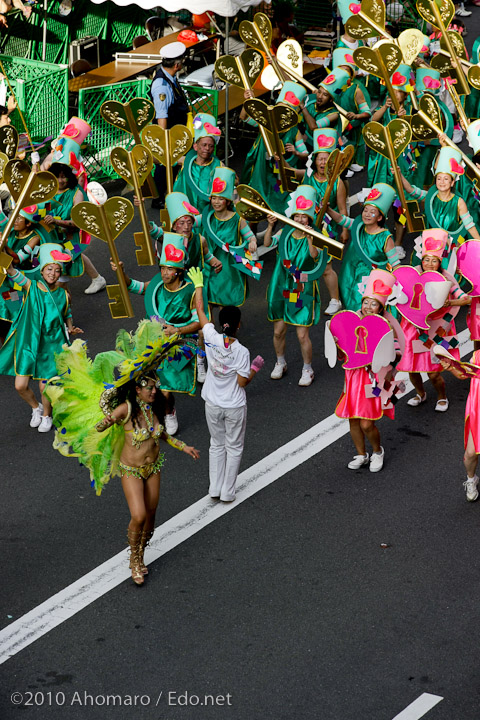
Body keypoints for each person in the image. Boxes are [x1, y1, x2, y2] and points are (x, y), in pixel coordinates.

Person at [45, 321, 200, 585]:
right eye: (149, 388)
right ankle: (134, 560)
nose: (154, 391)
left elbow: (160, 434)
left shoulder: (152, 410)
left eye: (155, 386)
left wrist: (183, 446)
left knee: (150, 520)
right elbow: (101, 423)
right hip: (131, 470)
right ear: (137, 390)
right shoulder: (125, 410)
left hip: (153, 467)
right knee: (138, 515)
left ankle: (141, 551)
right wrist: (103, 422)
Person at [113, 232, 204, 435]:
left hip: (181, 343)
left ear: (179, 272)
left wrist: (177, 329)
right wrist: (121, 272)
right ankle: (151, 413)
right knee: (148, 380)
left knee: (165, 387)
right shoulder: (156, 286)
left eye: (169, 269)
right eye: (162, 268)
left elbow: (200, 322)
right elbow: (134, 287)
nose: (164, 273)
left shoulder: (190, 291)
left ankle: (169, 412)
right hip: (153, 340)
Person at [188, 266, 263, 502]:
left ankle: (214, 488)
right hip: (233, 405)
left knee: (216, 445)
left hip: (212, 402)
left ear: (220, 323)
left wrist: (198, 285)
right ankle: (228, 492)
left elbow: (200, 310)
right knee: (234, 446)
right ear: (238, 325)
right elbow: (242, 382)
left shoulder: (210, 336)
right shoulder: (242, 351)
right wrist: (255, 368)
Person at [0, 243, 83, 432]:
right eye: (49, 269)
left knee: (46, 386)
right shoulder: (32, 287)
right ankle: (35, 408)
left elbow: (66, 312)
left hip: (52, 343)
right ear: (42, 270)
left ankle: (47, 415)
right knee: (20, 386)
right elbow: (12, 270)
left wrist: (70, 328)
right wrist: (3, 249)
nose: (52, 273)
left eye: (56, 270)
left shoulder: (64, 294)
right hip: (30, 342)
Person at [329, 269, 400, 472]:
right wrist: (335, 345)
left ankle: (377, 451)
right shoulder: (350, 322)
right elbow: (343, 355)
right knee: (352, 419)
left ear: (381, 307)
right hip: (352, 377)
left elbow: (396, 353)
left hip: (372, 379)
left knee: (367, 423)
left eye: (374, 303)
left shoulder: (387, 325)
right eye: (365, 302)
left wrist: (381, 363)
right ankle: (361, 454)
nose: (368, 306)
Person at [396, 228, 470, 412]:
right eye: (426, 259)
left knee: (434, 372)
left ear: (440, 262)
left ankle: (442, 396)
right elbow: (398, 294)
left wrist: (449, 301)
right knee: (412, 369)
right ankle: (421, 393)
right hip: (413, 327)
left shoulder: (447, 278)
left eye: (434, 260)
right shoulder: (412, 274)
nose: (429, 263)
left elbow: (466, 298)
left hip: (437, 329)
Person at [264, 184, 328, 386]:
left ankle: (307, 368)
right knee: (278, 330)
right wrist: (270, 226)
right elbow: (266, 244)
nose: (300, 220)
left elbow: (315, 258)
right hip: (281, 285)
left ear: (310, 218)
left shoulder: (316, 235)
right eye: (297, 216)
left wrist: (311, 240)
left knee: (302, 334)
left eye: (304, 216)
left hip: (301, 289)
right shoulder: (284, 234)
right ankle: (280, 362)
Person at [327, 183, 401, 310]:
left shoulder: (385, 237)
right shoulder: (358, 226)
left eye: (372, 212)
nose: (367, 214)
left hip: (370, 281)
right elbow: (341, 219)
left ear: (379, 217)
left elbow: (395, 264)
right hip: (350, 274)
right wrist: (327, 209)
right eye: (365, 210)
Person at [202, 166, 257, 308]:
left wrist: (252, 242)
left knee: (225, 306)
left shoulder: (238, 219)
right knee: (206, 305)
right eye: (214, 198)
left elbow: (250, 236)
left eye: (221, 199)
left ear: (227, 201)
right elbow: (185, 222)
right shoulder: (206, 217)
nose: (216, 202)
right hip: (210, 267)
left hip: (229, 270)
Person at [150, 41, 190, 207]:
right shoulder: (162, 86)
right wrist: (163, 142)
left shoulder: (170, 78)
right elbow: (162, 116)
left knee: (172, 166)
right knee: (165, 163)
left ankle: (169, 194)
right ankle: (158, 198)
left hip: (177, 131)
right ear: (176, 64)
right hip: (169, 132)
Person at [173, 113, 223, 213]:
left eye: (211, 146)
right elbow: (162, 160)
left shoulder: (219, 165)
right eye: (204, 145)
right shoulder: (185, 161)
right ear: (196, 146)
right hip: (185, 215)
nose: (207, 149)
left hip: (207, 215)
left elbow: (233, 184)